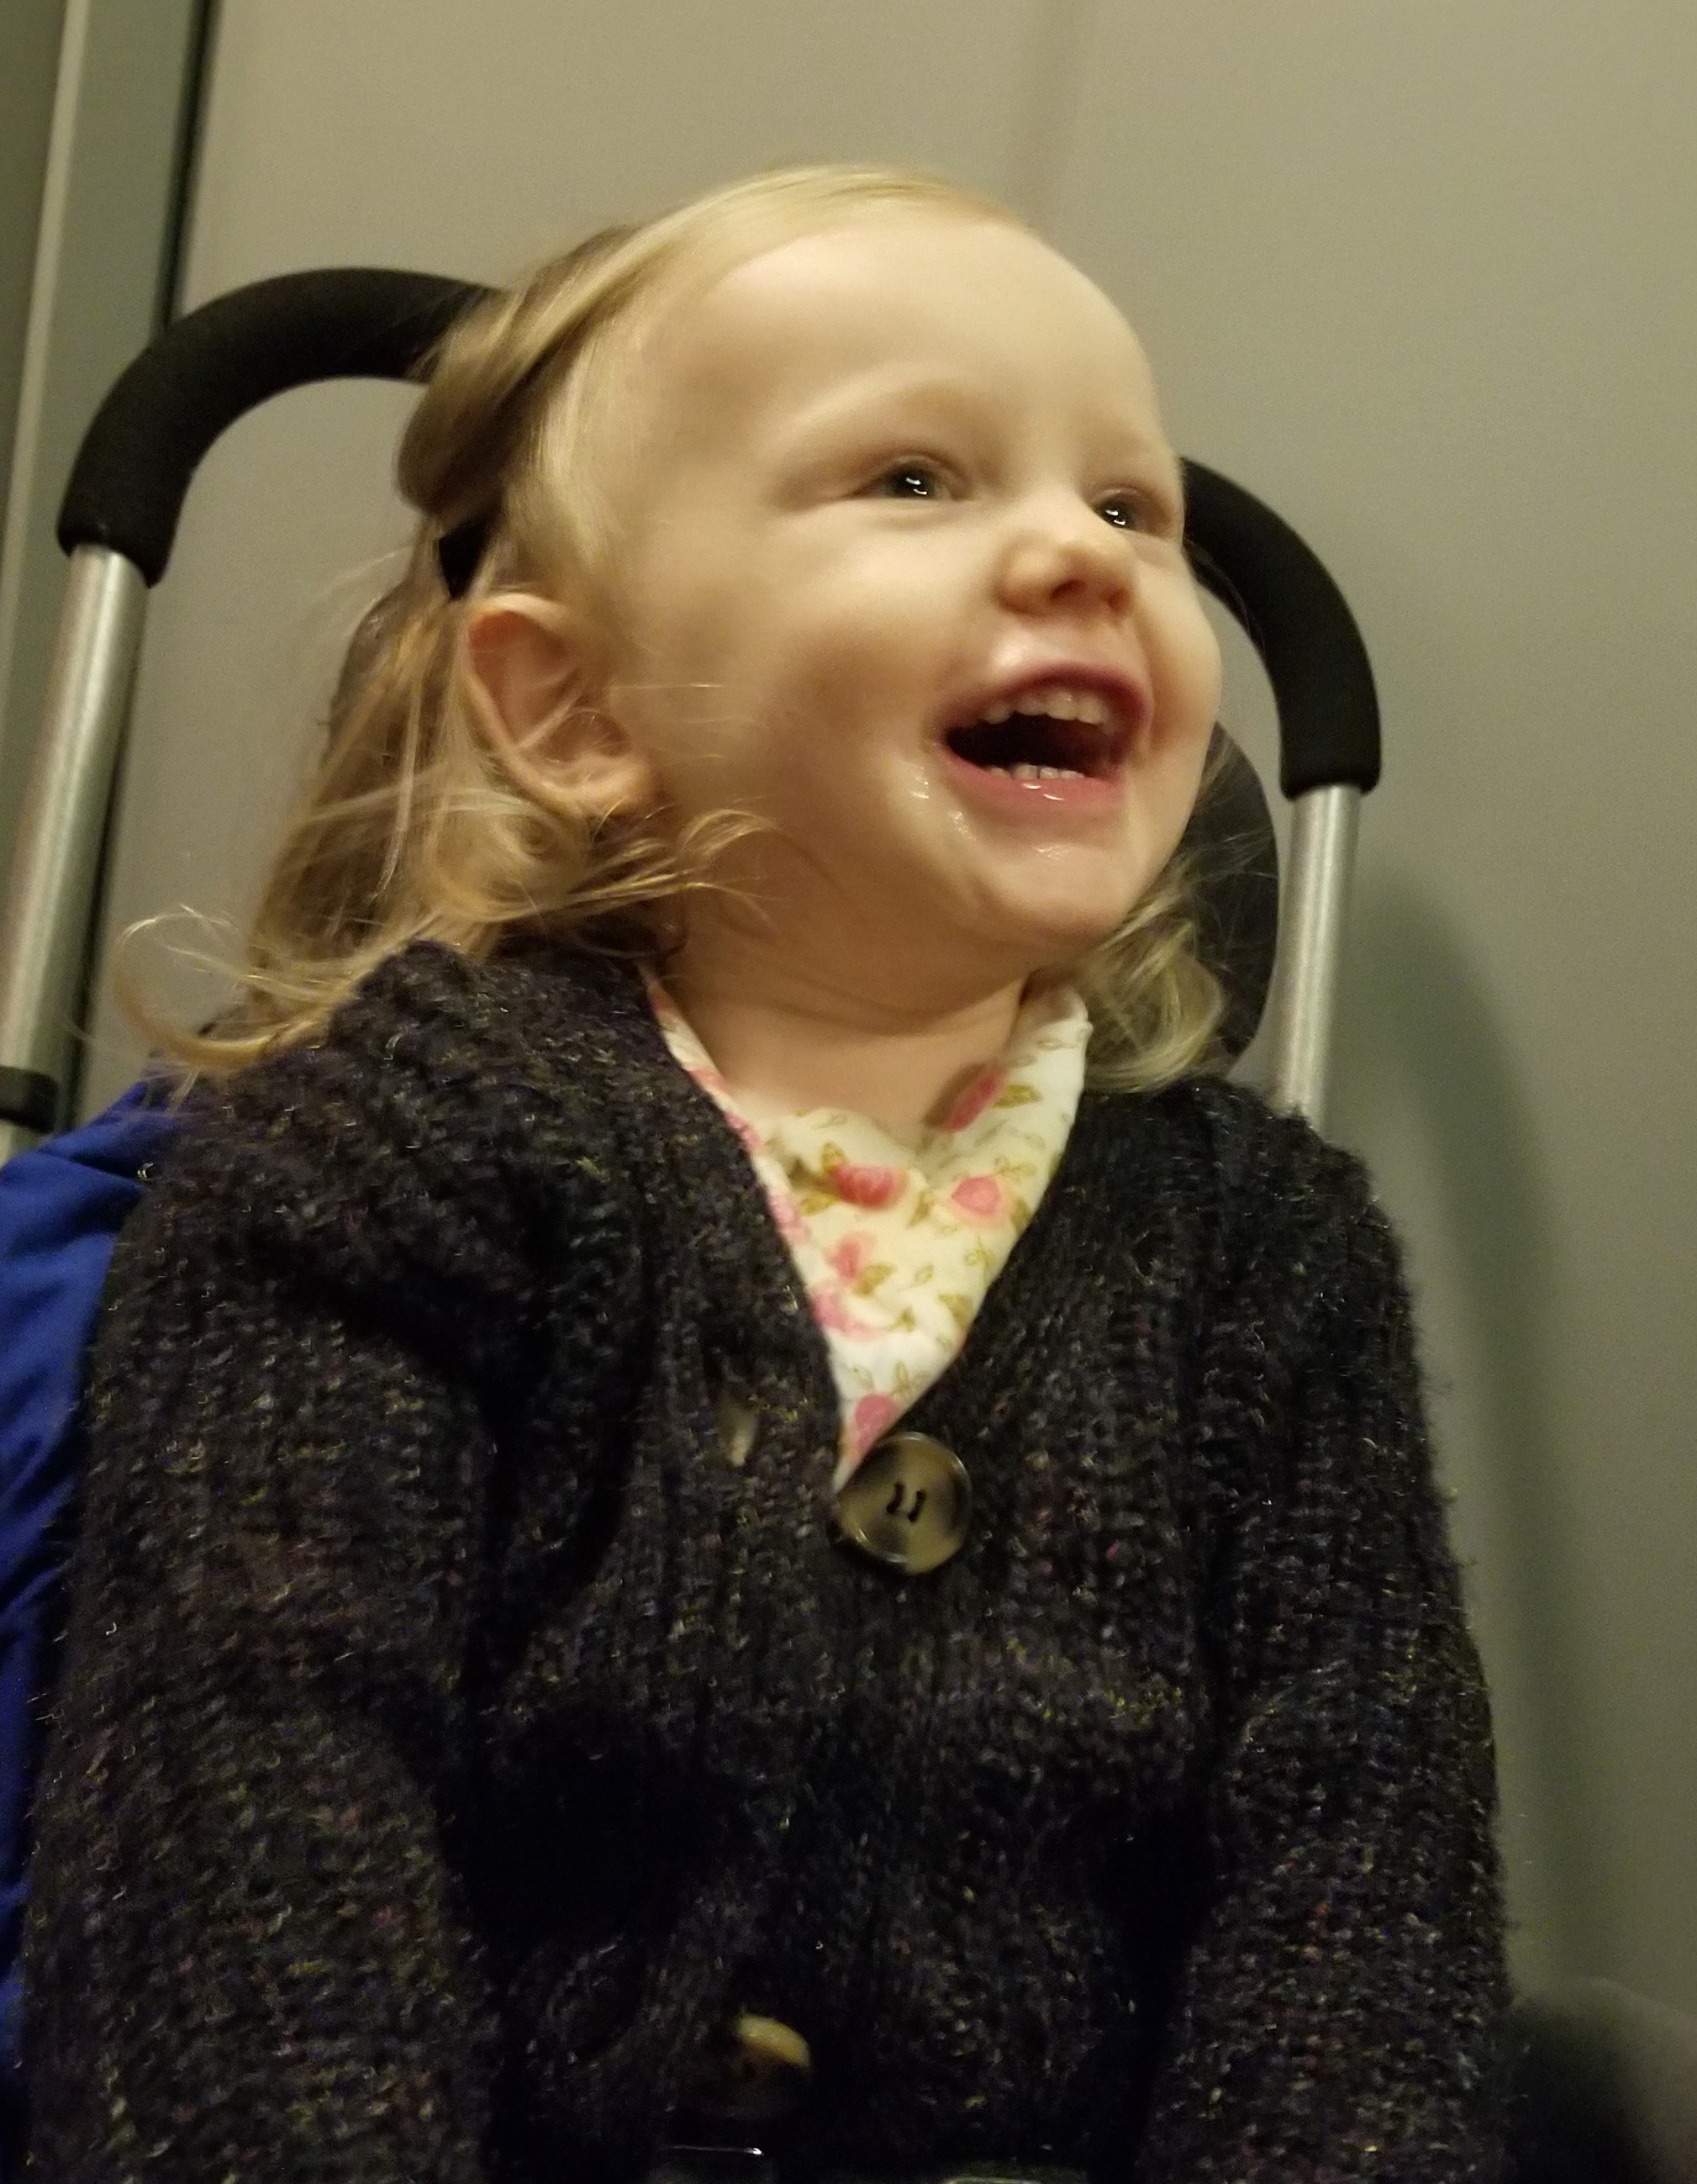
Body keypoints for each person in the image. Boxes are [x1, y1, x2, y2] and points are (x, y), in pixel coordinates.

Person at [20, 165, 1509, 2181]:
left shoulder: (1263, 1253)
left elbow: (1355, 1874)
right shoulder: (374, 1163)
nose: (1076, 556)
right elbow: (249, 1832)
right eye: (911, 479)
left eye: (1129, 505)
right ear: (575, 710)